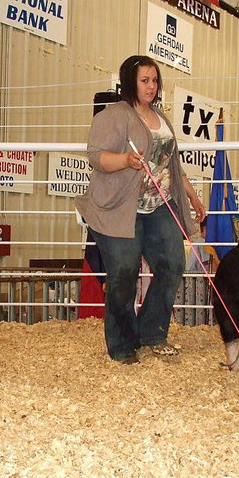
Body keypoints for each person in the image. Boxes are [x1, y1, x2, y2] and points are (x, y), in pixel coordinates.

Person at [74, 55, 206, 364]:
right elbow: (97, 156)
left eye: (155, 80)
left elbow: (171, 165)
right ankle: (122, 345)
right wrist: (126, 161)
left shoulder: (162, 118)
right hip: (121, 206)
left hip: (160, 204)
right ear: (130, 82)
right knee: (123, 273)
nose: (151, 86)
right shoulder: (114, 115)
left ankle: (152, 332)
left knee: (173, 263)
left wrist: (194, 198)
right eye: (144, 80)